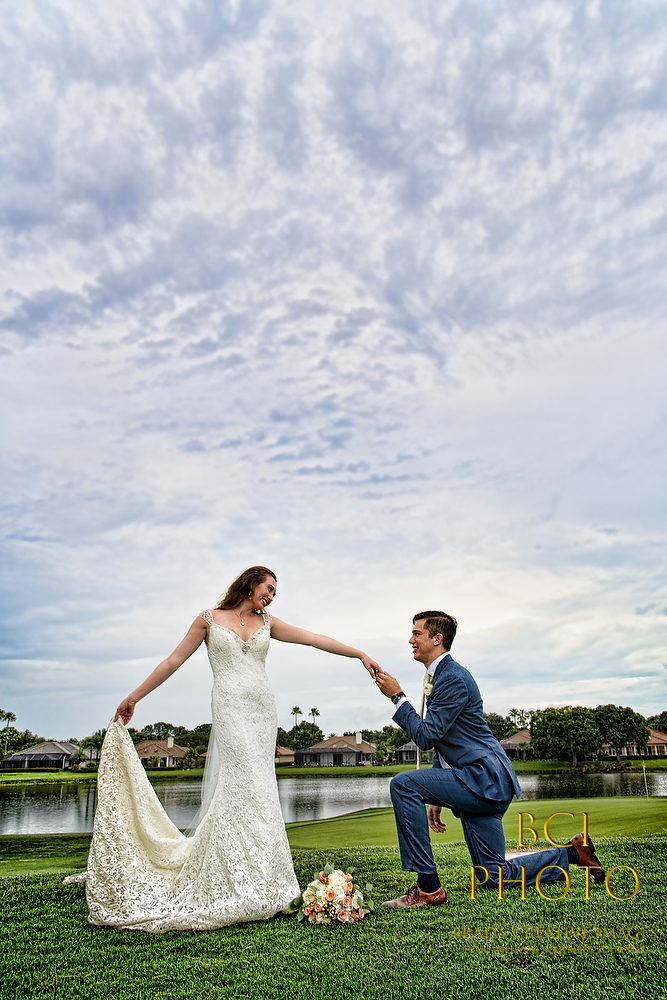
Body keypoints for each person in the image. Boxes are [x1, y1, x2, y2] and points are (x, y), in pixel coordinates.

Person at [70, 566, 379, 932]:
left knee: (260, 787)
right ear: (251, 585)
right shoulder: (208, 620)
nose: (271, 597)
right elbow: (172, 661)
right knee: (240, 781)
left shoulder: (270, 623)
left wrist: (359, 653)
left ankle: (263, 874)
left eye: (275, 593)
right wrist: (134, 696)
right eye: (269, 589)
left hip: (263, 710)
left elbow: (312, 638)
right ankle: (232, 872)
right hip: (230, 707)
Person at [374, 610, 605, 907]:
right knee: (494, 876)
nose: (411, 639)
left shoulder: (453, 678)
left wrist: (397, 698)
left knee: (403, 784)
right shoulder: (440, 677)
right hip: (479, 782)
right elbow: (444, 738)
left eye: (417, 634)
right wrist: (435, 796)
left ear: (437, 638)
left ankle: (428, 888)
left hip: (484, 780)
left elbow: (426, 736)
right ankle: (574, 854)